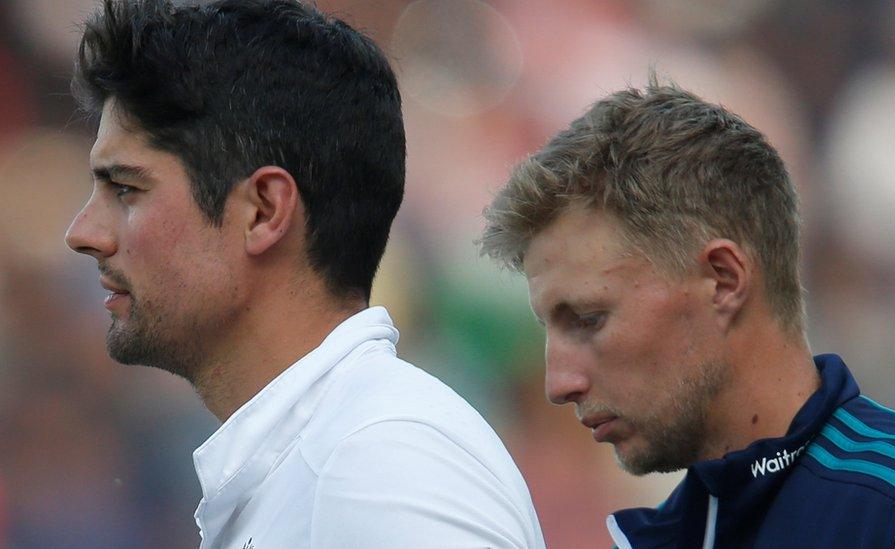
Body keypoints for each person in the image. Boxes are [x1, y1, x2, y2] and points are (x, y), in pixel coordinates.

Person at [65, 1, 545, 547]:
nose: (82, 233)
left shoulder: (379, 464)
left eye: (126, 189)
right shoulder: (333, 456)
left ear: (265, 211)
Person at [478, 78, 895, 548]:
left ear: (724, 279)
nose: (558, 383)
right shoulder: (661, 535)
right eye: (549, 328)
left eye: (588, 318)